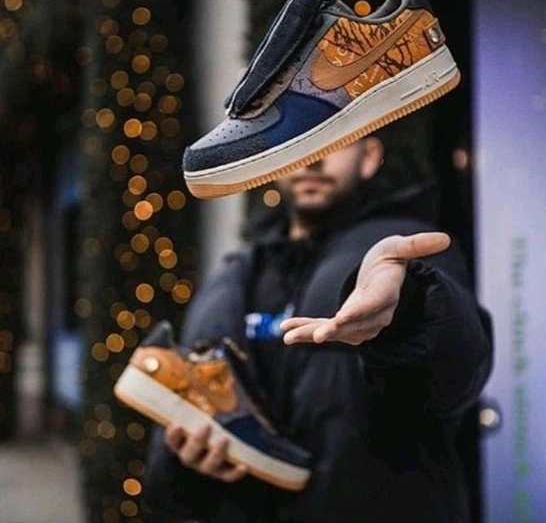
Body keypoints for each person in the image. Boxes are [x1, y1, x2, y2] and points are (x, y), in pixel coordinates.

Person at [143, 133, 493, 523]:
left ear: (369, 156)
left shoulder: (407, 253)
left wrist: (407, 305)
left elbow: (459, 369)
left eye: (335, 140)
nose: (313, 159)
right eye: (298, 141)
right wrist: (186, 466)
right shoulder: (236, 275)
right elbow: (170, 483)